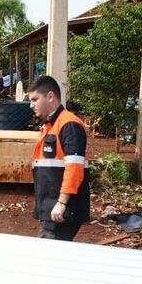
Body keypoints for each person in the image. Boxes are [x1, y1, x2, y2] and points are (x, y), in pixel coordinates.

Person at [28, 75, 90, 241]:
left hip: (63, 210)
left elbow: (74, 168)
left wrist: (62, 203)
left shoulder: (69, 125)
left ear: (50, 96)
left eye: (34, 99)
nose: (31, 105)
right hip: (53, 207)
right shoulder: (51, 125)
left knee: (46, 257)